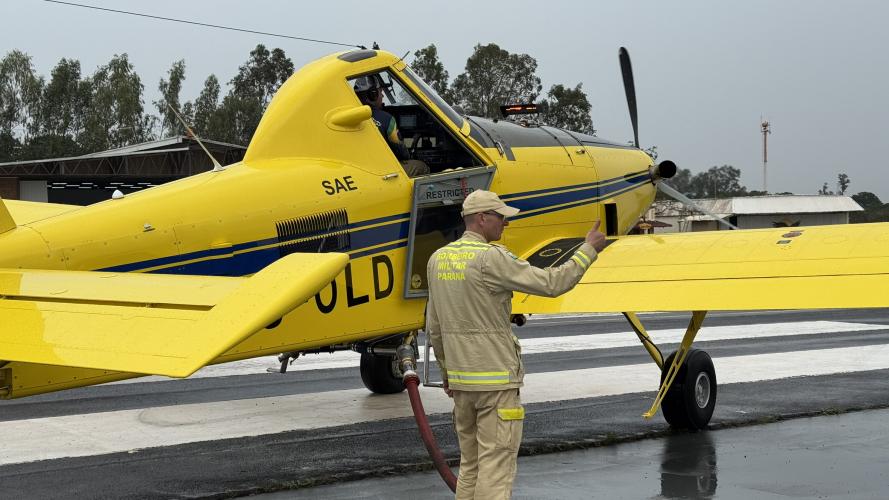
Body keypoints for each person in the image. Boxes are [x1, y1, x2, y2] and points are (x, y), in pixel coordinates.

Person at [425, 190, 607, 499]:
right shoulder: (491, 257)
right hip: (496, 382)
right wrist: (587, 250)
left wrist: (447, 373)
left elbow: (435, 327)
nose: (505, 224)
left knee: (471, 466)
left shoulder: (437, 259)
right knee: (495, 471)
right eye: (501, 217)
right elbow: (553, 283)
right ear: (482, 219)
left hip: (461, 383)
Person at [353, 74, 429, 177]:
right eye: (380, 92)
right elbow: (401, 152)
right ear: (373, 94)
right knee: (421, 166)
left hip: (358, 170)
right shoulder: (387, 119)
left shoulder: (350, 117)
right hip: (381, 171)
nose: (383, 96)